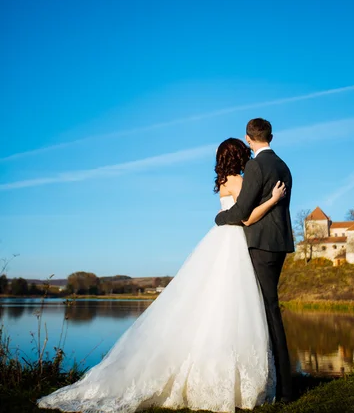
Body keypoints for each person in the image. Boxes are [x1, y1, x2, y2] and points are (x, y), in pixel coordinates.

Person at [37, 138, 286, 413]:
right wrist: (273, 200)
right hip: (234, 243)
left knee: (210, 304)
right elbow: (246, 218)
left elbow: (228, 214)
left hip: (220, 240)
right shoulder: (238, 181)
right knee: (230, 306)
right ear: (239, 155)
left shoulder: (224, 181)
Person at [215, 119, 294, 404]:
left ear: (249, 138)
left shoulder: (254, 167)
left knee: (269, 312)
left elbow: (242, 212)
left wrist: (219, 218)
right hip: (280, 243)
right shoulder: (283, 165)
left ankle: (284, 390)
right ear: (271, 135)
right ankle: (272, 379)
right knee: (263, 311)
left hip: (260, 244)